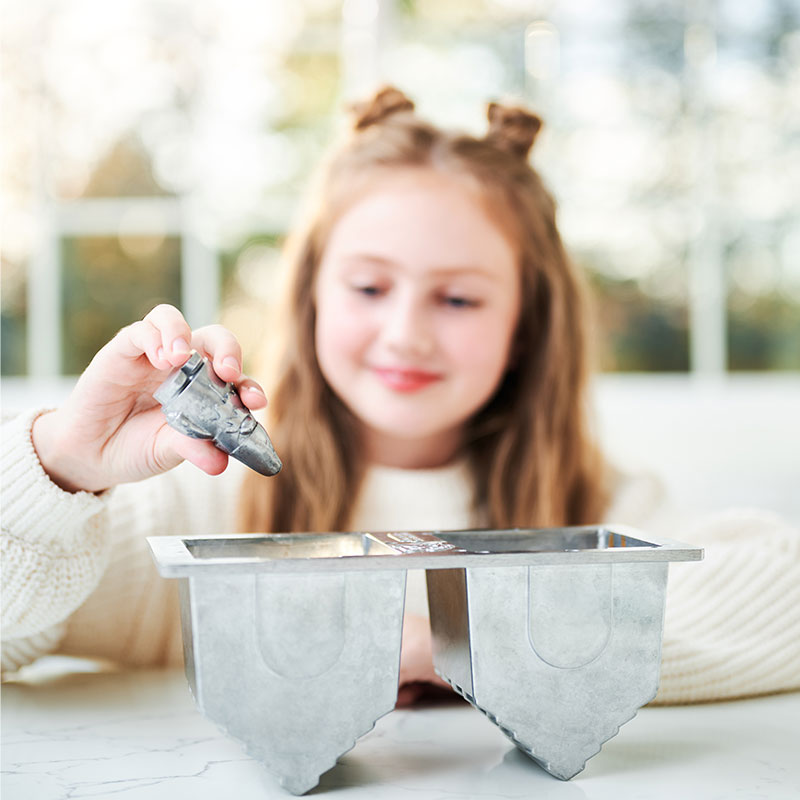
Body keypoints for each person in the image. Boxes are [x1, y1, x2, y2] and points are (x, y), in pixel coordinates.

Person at [2, 87, 798, 707]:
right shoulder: (205, 505)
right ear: (313, 296)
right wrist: (63, 464)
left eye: (458, 300)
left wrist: (450, 648)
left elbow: (781, 594)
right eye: (371, 286)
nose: (407, 333)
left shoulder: (595, 509)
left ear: (526, 326)